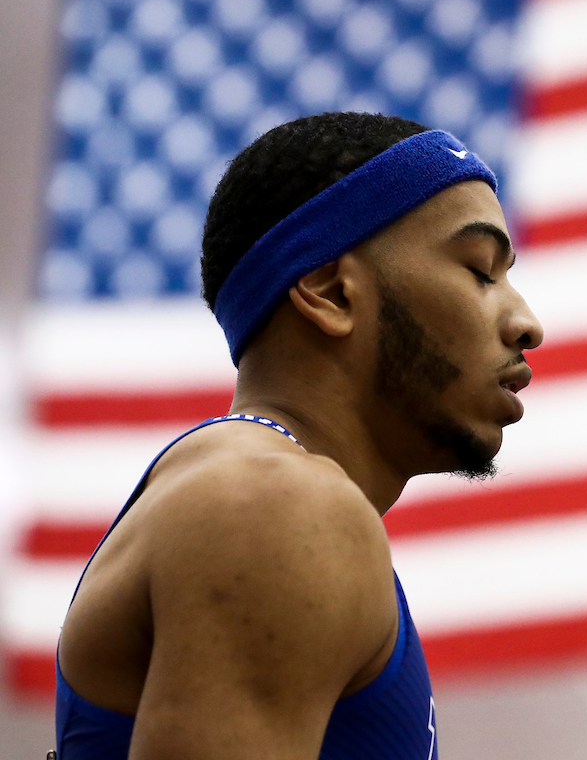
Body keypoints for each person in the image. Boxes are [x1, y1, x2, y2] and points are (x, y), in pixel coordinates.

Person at [52, 113, 544, 759]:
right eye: (481, 270)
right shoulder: (277, 506)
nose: (527, 323)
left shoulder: (249, 493)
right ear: (331, 292)